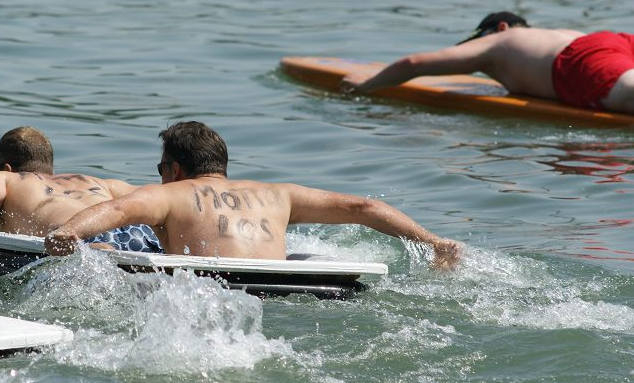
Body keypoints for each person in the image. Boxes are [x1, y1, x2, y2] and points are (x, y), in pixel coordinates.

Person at [45, 121, 461, 269]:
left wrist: (67, 231)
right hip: (291, 292)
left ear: (174, 169)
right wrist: (432, 242)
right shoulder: (278, 194)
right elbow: (363, 207)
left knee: (97, 249)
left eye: (161, 169)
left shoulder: (170, 195)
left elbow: (115, 209)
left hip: (209, 294)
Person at [341, 11, 634, 114]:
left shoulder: (497, 41)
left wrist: (367, 85)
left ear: (501, 27)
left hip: (580, 61)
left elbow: (415, 62)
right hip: (613, 42)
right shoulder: (551, 34)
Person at [0, 126, 162, 252]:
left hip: (84, 240)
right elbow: (159, 195)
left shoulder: (11, 181)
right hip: (139, 235)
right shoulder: (97, 181)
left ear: (5, 168)